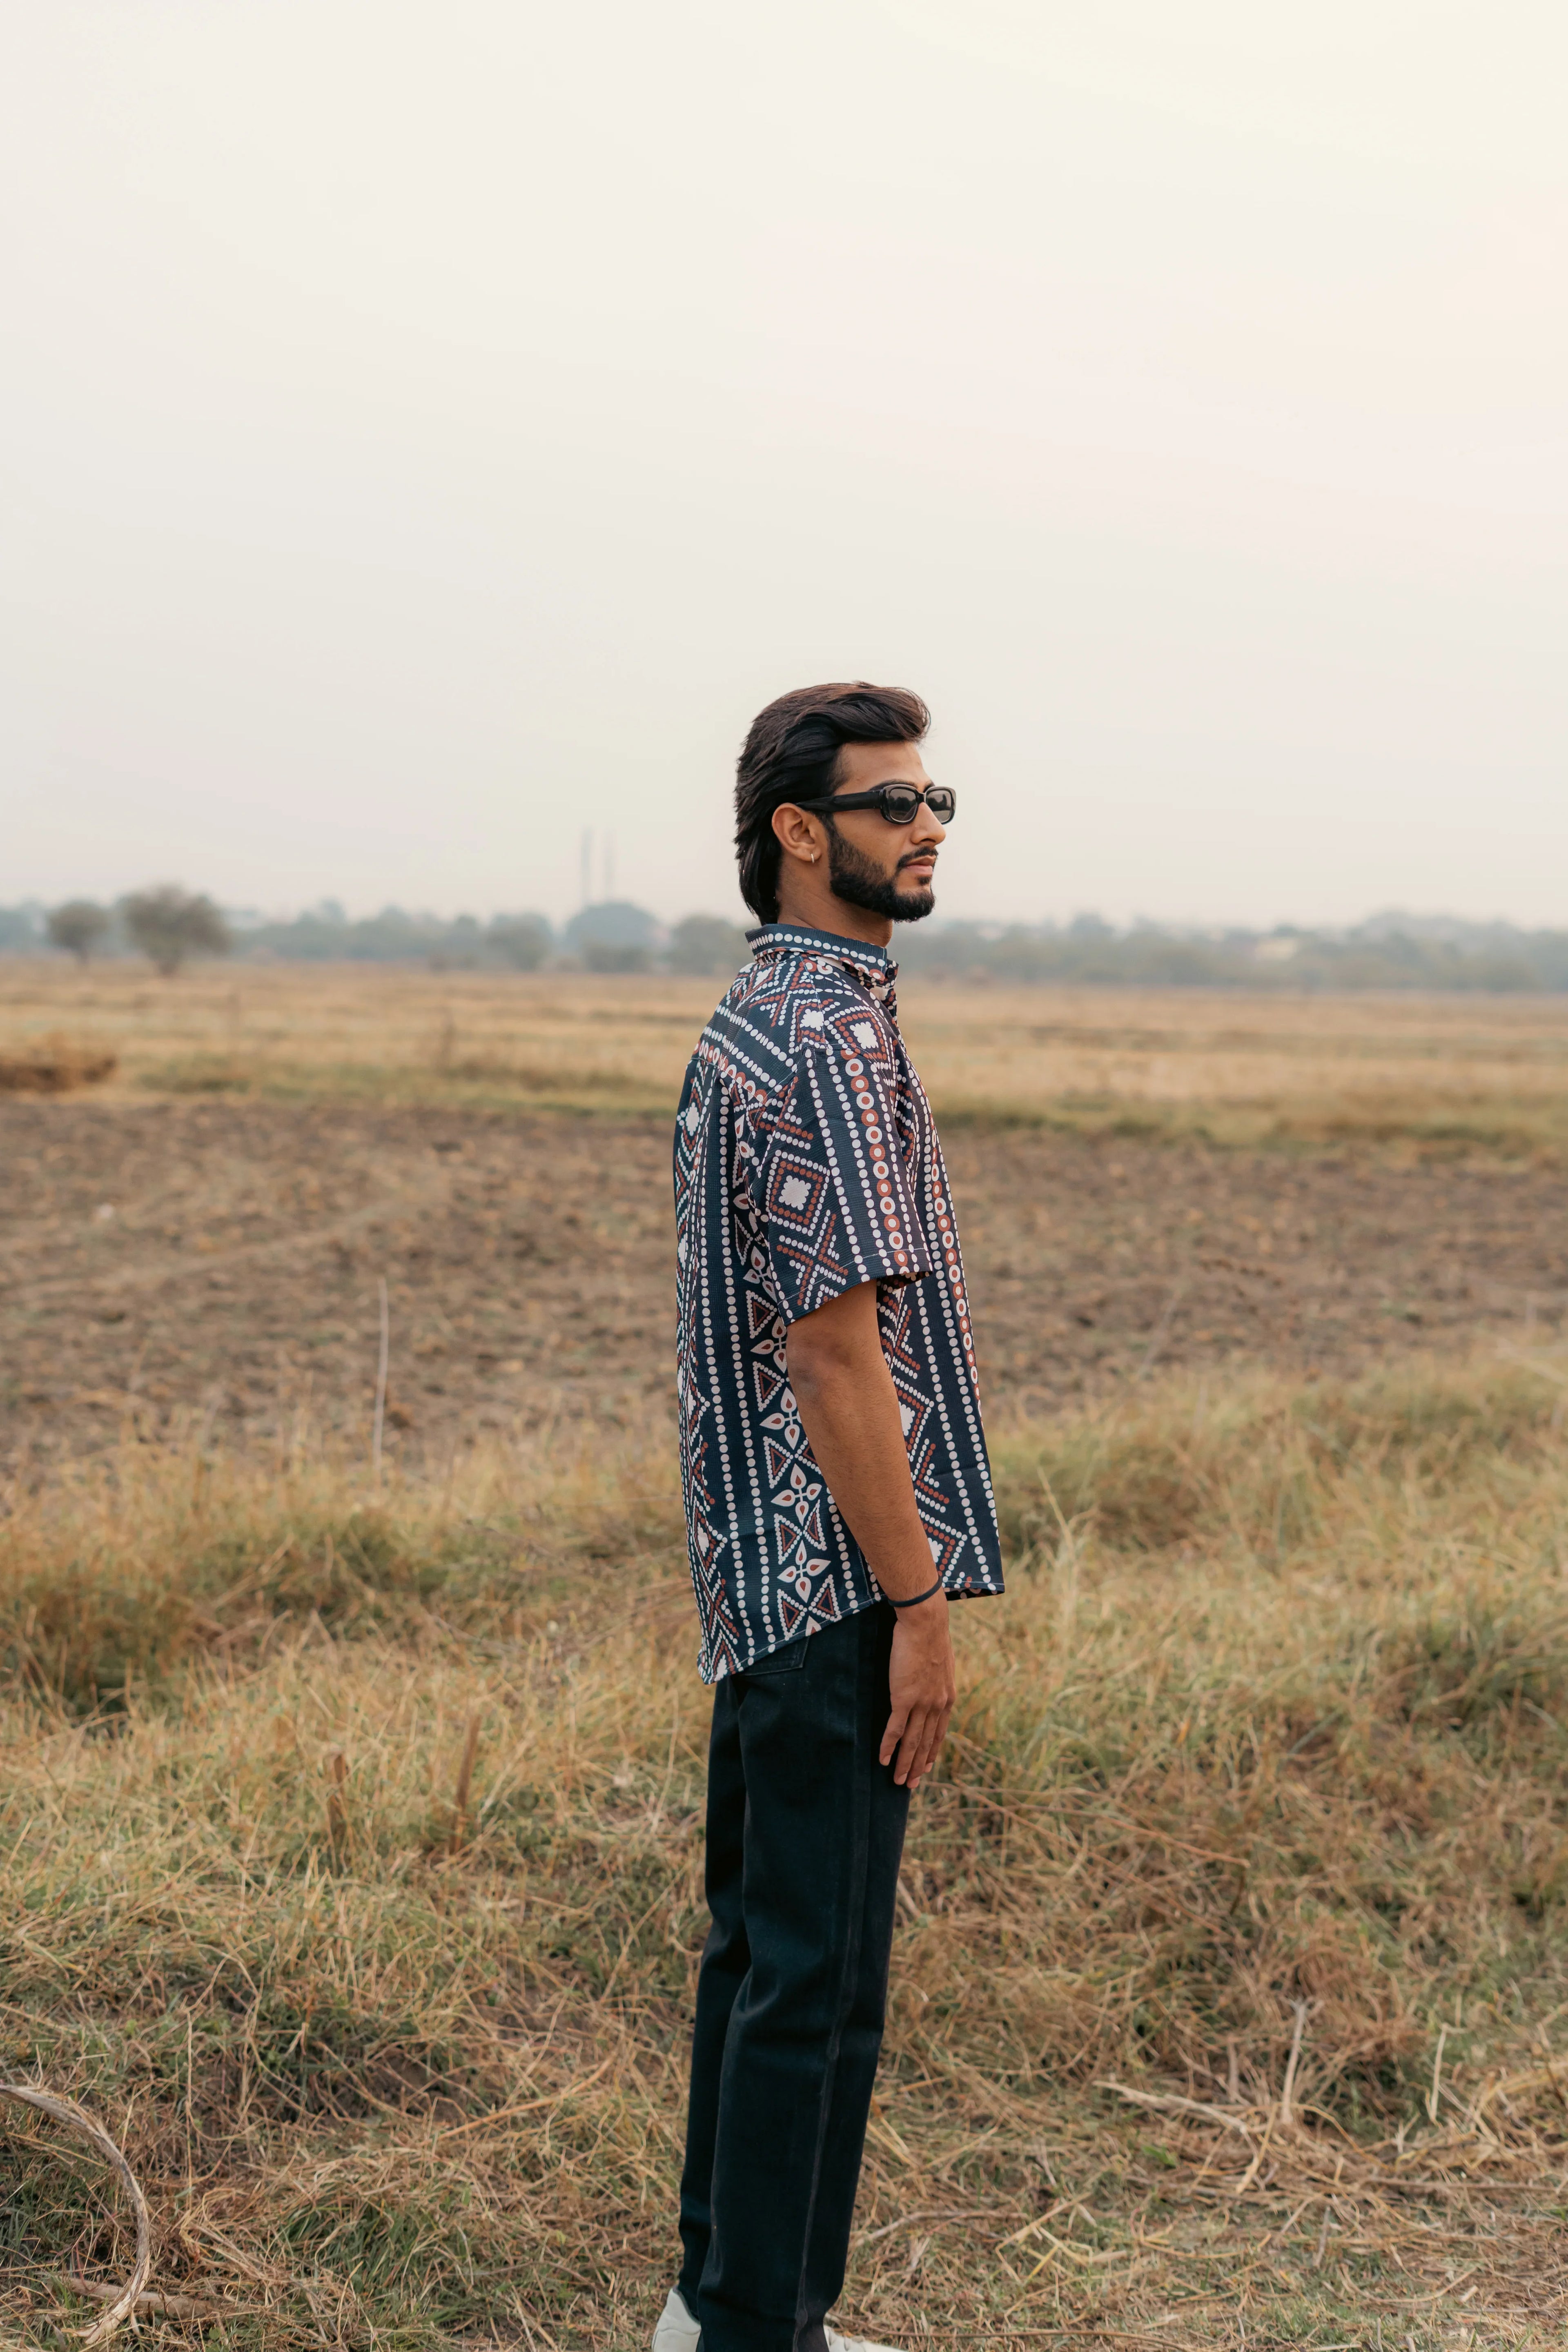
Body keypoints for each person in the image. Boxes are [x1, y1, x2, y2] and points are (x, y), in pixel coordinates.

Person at [656, 684, 1004, 2352]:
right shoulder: (827, 1035)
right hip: (835, 1582)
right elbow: (832, 1347)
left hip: (762, 1573)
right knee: (821, 1985)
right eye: (888, 803)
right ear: (801, 833)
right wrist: (919, 1606)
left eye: (936, 799)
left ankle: (725, 2306)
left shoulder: (761, 1016)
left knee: (766, 1964)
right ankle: (755, 2334)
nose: (924, 824)